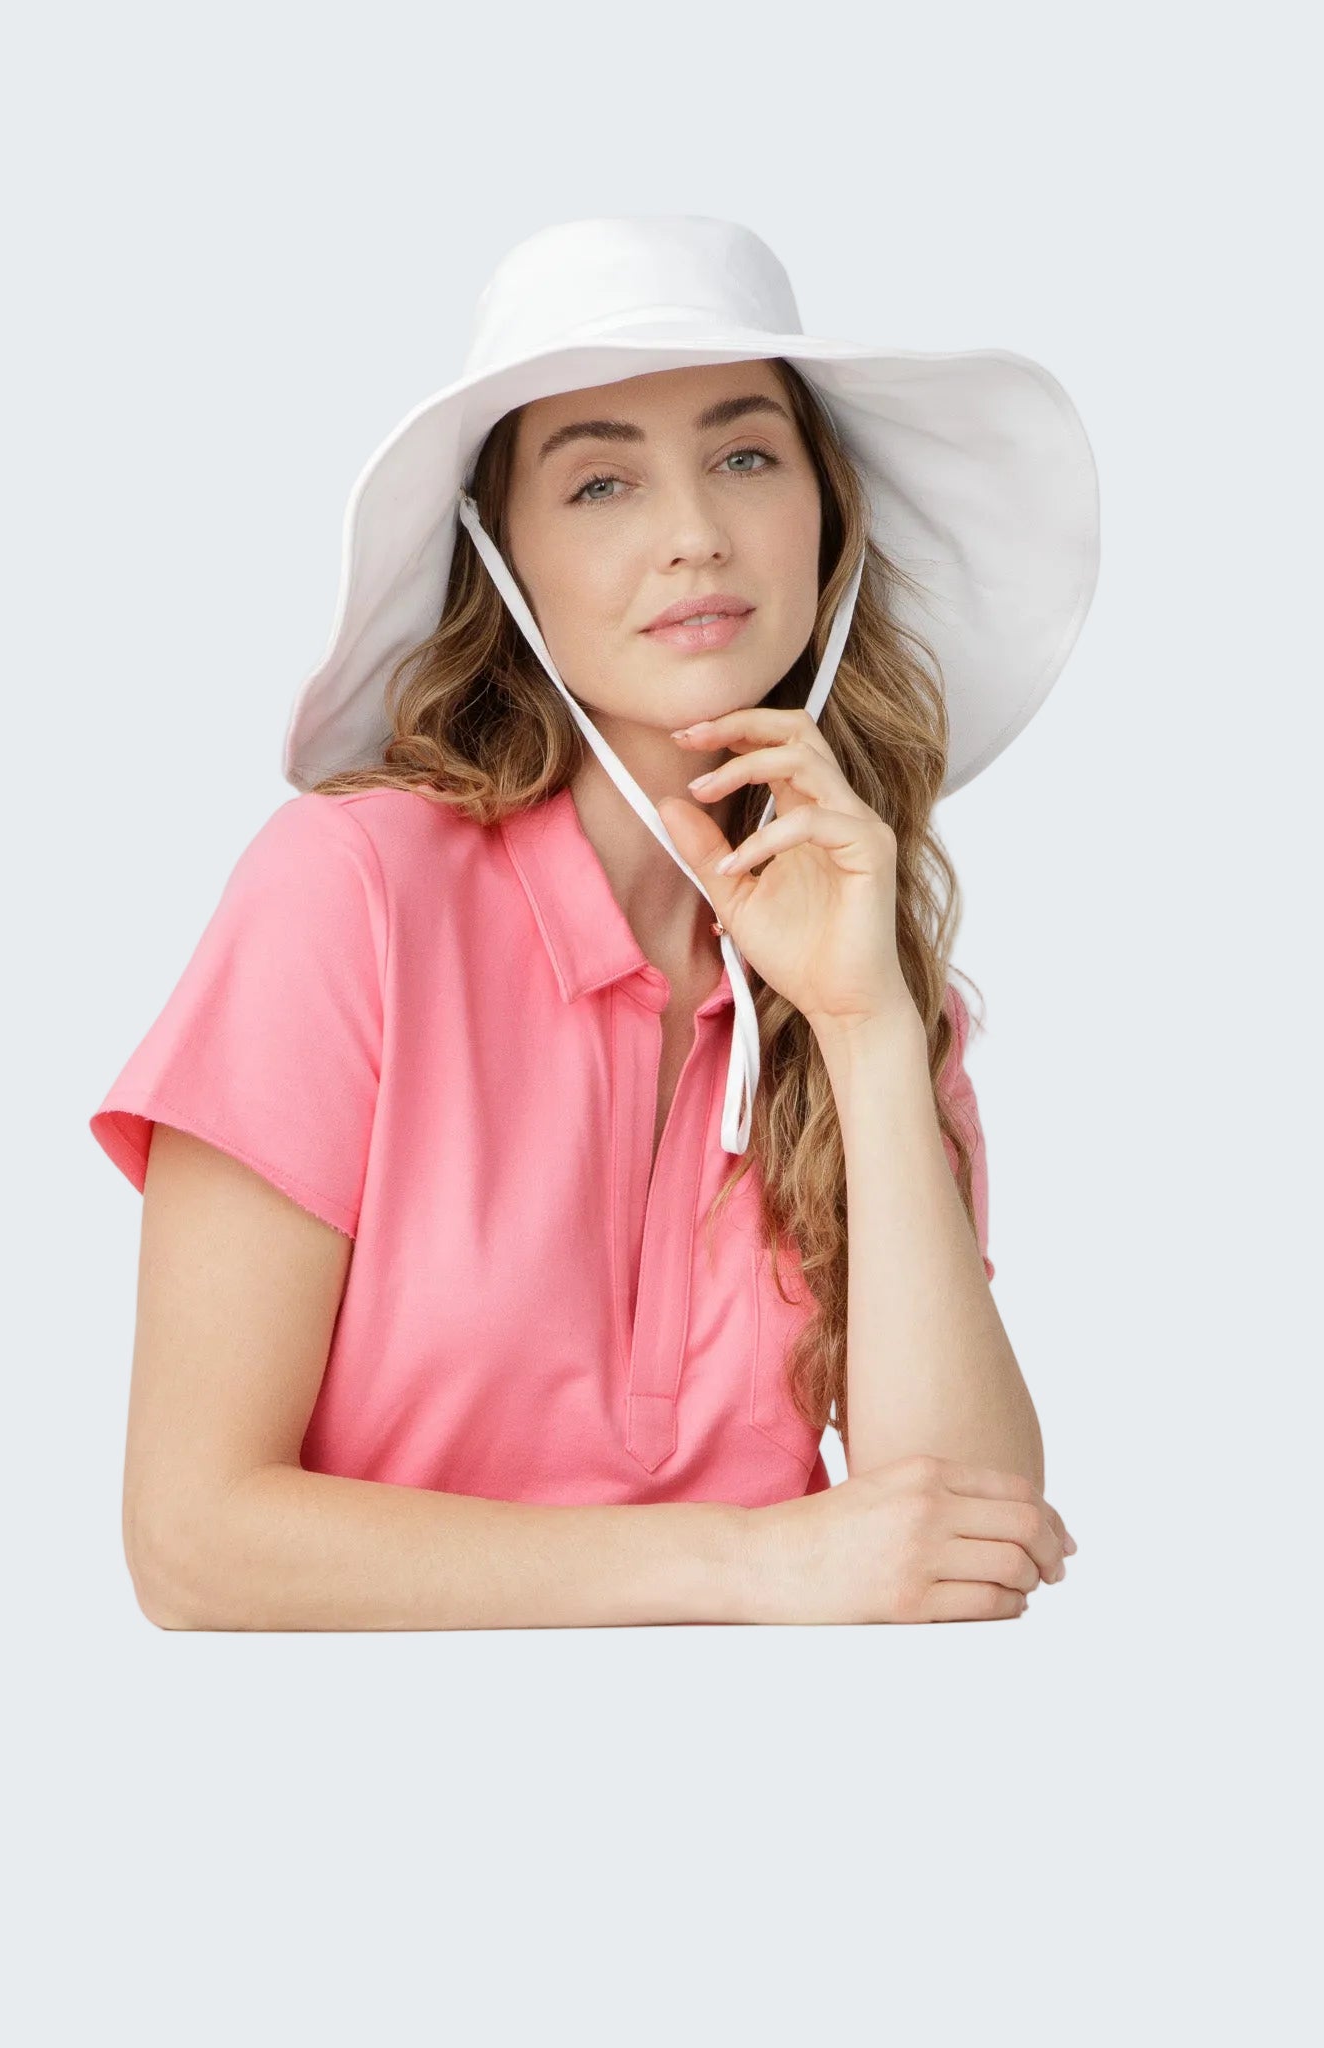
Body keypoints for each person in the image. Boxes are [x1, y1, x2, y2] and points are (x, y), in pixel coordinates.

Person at [90, 215, 1096, 1631]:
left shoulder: (864, 964)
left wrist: (868, 1031)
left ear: (829, 511)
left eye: (748, 455)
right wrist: (752, 1566)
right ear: (505, 560)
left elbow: (963, 1546)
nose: (695, 534)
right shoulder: (351, 892)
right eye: (602, 482)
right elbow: (191, 1543)